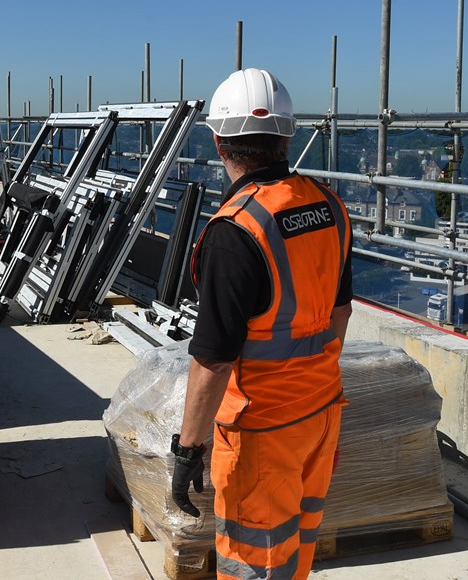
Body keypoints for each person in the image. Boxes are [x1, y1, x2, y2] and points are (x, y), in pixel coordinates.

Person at [171, 68, 353, 580]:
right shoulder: (328, 206)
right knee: (296, 549)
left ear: (217, 141)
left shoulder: (236, 229)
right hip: (319, 414)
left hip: (261, 430)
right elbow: (340, 312)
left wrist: (187, 449)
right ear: (287, 136)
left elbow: (213, 358)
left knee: (254, 560)